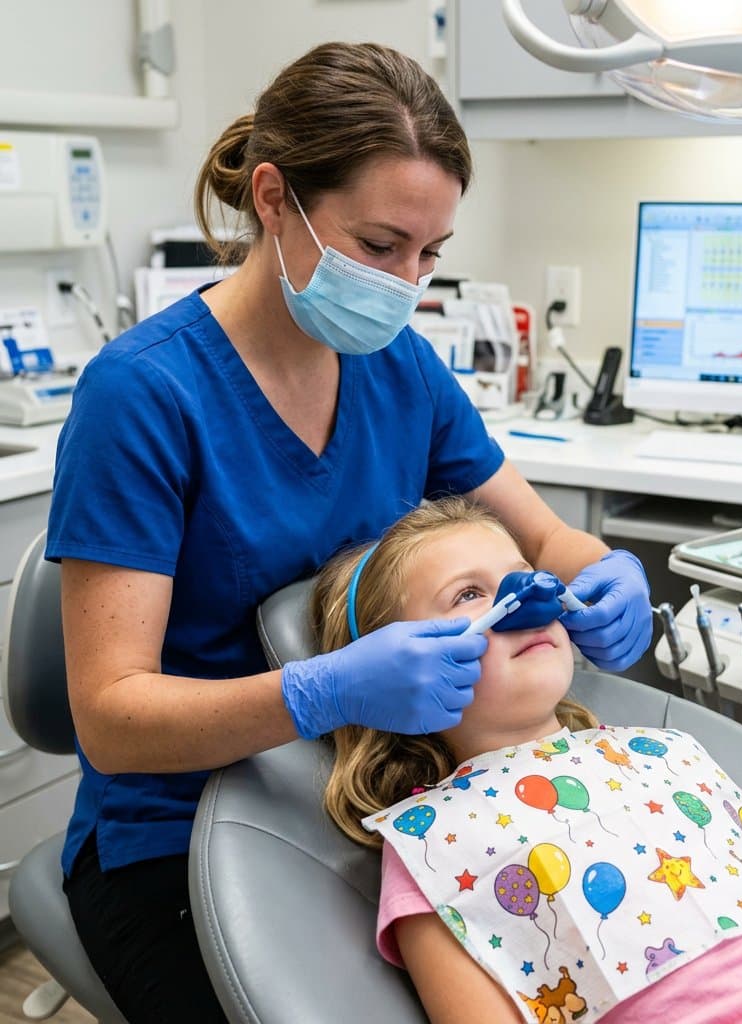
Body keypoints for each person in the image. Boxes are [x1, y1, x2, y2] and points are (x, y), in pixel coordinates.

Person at [45, 42, 652, 1023]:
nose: (407, 282)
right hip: (176, 830)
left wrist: (609, 574)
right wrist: (324, 689)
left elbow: (545, 540)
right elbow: (111, 718)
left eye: (429, 253)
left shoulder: (401, 369)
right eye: (379, 246)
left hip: (378, 794)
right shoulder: (144, 396)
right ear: (275, 199)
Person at [316, 497, 742, 1024]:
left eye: (525, 573)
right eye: (469, 593)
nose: (526, 595)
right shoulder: (431, 843)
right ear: (398, 671)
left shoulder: (666, 756)